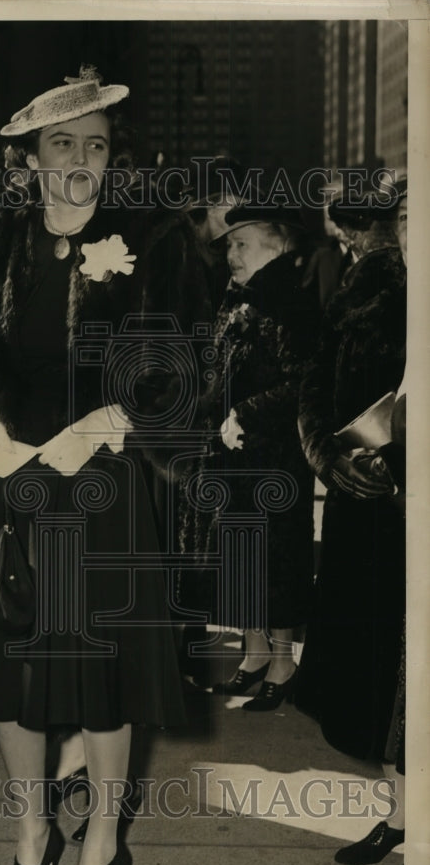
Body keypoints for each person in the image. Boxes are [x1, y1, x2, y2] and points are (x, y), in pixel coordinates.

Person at [0, 66, 200, 865]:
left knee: (98, 669)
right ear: (29, 158)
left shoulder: (152, 236)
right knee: (10, 669)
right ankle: (31, 830)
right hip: (9, 473)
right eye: (62, 145)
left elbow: (182, 358)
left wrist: (108, 420)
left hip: (104, 477)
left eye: (94, 146)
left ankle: (103, 843)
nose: (80, 160)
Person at [171, 204, 320, 709]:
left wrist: (247, 414)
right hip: (232, 458)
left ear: (278, 246)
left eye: (243, 244)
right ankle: (254, 655)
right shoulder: (236, 299)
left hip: (272, 458)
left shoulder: (292, 304)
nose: (231, 253)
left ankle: (282, 661)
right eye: (229, 244)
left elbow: (304, 382)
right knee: (242, 563)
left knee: (274, 566)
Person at [295, 182, 406, 763]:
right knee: (376, 659)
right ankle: (396, 804)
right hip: (359, 488)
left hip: (392, 495)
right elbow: (314, 384)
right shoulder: (355, 285)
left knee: (390, 658)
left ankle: (402, 808)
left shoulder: (378, 281)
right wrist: (330, 456)